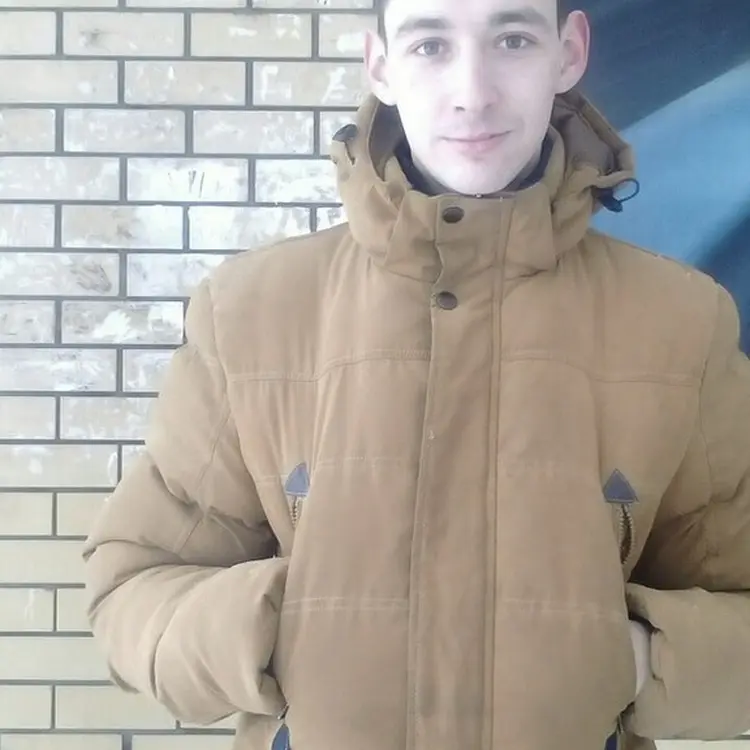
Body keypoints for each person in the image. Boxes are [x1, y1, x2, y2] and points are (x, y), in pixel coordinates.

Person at [82, 0, 750, 748]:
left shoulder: (682, 321)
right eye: (431, 45)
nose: (473, 92)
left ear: (568, 53)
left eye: (512, 39)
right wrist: (274, 632)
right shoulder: (250, 312)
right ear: (381, 65)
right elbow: (134, 586)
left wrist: (635, 661)